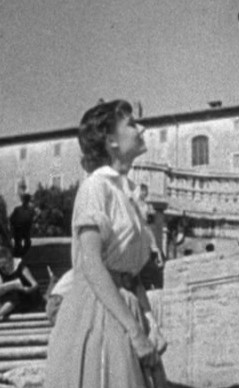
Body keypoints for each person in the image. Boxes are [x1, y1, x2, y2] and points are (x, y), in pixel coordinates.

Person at [45, 100, 167, 388]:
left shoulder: (124, 192)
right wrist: (134, 332)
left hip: (127, 308)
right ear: (111, 140)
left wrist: (150, 323)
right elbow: (91, 264)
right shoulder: (96, 187)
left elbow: (131, 274)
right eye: (131, 124)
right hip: (99, 311)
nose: (141, 129)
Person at [0, 245, 41, 323]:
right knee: (2, 298)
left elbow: (35, 284)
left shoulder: (20, 266)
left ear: (1, 259)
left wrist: (27, 289)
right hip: (12, 298)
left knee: (14, 296)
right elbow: (0, 287)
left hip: (27, 297)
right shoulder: (0, 270)